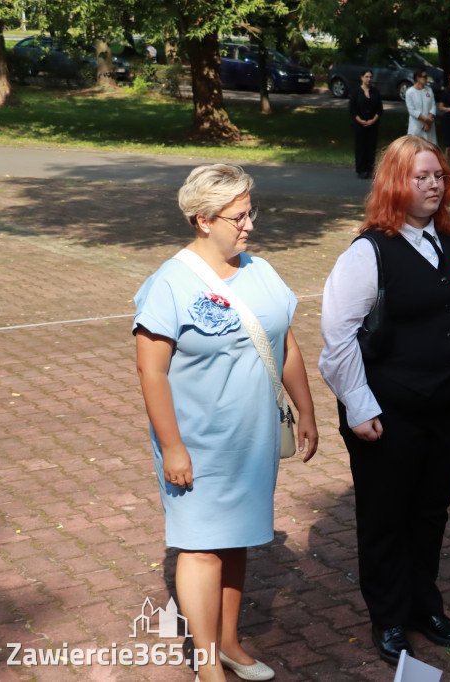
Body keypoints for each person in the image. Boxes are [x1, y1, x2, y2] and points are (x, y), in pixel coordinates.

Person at [134, 164, 319, 682]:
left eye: (250, 212)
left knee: (236, 540)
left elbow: (285, 342)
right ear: (202, 220)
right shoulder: (169, 284)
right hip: (196, 441)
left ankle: (232, 643)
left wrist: (305, 409)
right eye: (238, 216)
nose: (249, 225)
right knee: (201, 549)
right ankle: (207, 663)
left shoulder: (260, 270)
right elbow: (151, 371)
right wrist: (172, 447)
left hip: (251, 439)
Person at [318, 135, 450, 665]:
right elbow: (337, 337)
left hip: (443, 407)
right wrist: (360, 406)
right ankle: (389, 616)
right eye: (422, 177)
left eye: (439, 176)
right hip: (386, 414)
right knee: (385, 515)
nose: (435, 185)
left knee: (431, 509)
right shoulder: (368, 253)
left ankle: (422, 605)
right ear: (396, 184)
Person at [350, 69, 383, 179]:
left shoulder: (375, 92)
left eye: (370, 77)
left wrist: (373, 120)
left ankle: (370, 168)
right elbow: (352, 109)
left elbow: (379, 109)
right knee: (360, 146)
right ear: (362, 78)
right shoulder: (356, 92)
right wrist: (360, 120)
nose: (369, 79)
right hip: (360, 124)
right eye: (367, 77)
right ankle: (361, 169)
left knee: (371, 146)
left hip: (373, 124)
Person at [406, 68, 436, 144]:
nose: (426, 78)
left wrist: (429, 121)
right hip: (416, 126)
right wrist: (425, 119)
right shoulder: (410, 92)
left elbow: (433, 106)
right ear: (418, 78)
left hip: (429, 126)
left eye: (426, 76)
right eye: (424, 76)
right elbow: (412, 110)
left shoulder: (429, 90)